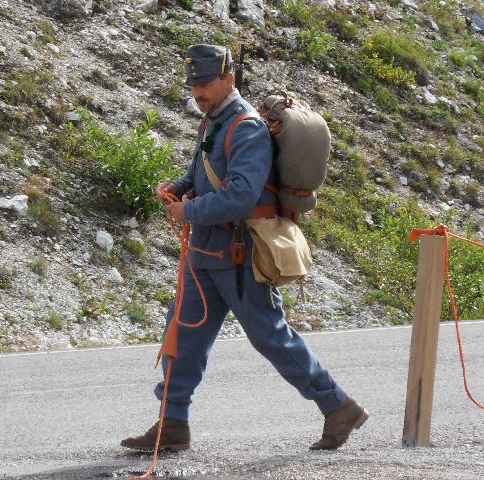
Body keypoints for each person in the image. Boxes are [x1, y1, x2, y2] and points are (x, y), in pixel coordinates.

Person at [121, 44, 368, 452]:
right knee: (181, 338)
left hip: (239, 255)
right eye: (193, 85)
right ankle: (172, 423)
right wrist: (178, 190)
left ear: (228, 79)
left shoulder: (247, 128)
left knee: (272, 338)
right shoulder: (213, 122)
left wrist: (190, 210)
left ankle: (338, 406)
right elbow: (198, 175)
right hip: (204, 254)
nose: (197, 92)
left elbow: (239, 196)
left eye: (204, 83)